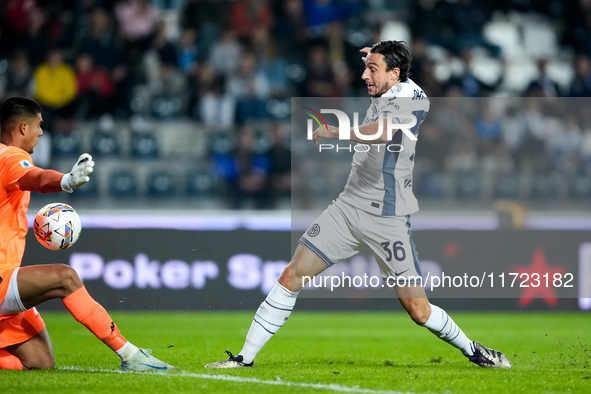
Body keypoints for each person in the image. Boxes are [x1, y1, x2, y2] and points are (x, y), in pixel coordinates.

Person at [205, 41, 512, 369]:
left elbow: (384, 132)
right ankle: (244, 358)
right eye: (366, 67)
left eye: (372, 70)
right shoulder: (388, 84)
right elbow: (383, 83)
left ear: (395, 74)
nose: (365, 75)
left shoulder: (412, 99)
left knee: (418, 311)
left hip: (386, 216)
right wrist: (373, 55)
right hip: (347, 207)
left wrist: (339, 132)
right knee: (290, 276)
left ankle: (473, 350)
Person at [0, 97, 176, 371]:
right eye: (39, 125)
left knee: (39, 362)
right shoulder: (11, 156)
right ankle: (131, 355)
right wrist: (65, 180)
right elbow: (33, 178)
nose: (42, 132)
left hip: (6, 272)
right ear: (23, 128)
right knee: (65, 277)